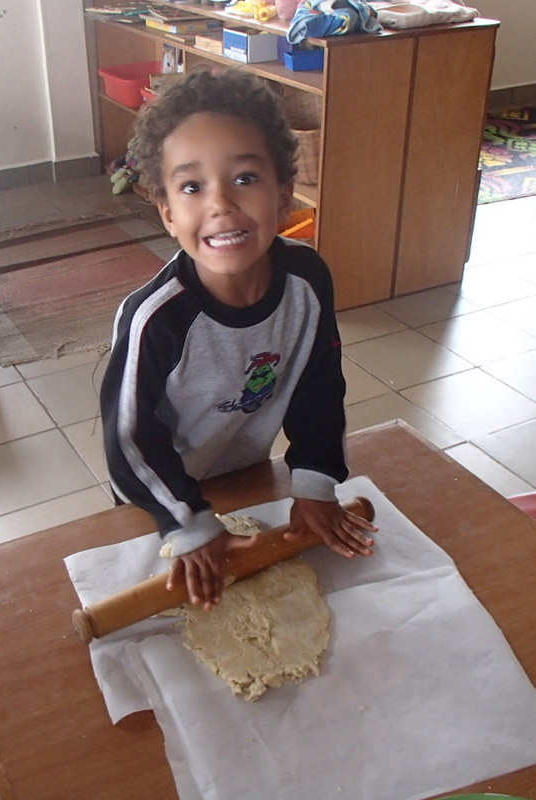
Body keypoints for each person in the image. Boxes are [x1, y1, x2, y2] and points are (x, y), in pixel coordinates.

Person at [100, 68, 377, 611]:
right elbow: (128, 440)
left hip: (245, 472)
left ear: (283, 195)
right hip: (160, 492)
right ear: (169, 216)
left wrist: (316, 485)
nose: (221, 203)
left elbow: (318, 388)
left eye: (244, 178)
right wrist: (188, 523)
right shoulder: (153, 320)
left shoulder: (308, 282)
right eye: (192, 186)